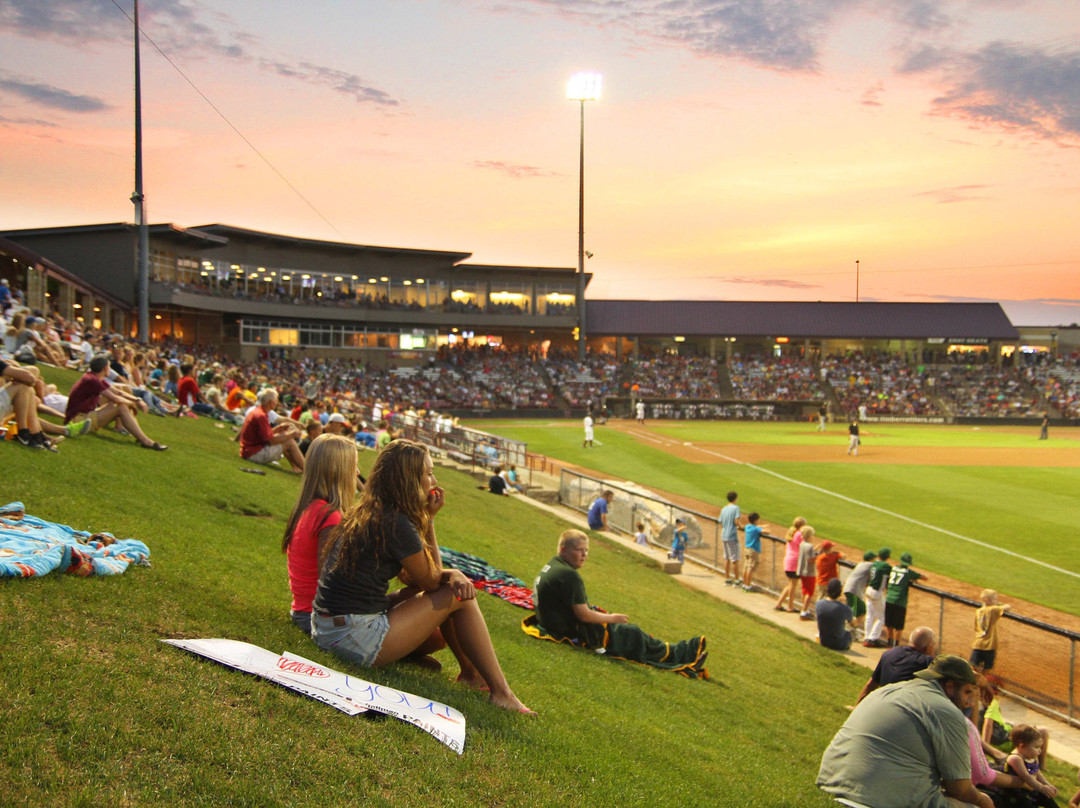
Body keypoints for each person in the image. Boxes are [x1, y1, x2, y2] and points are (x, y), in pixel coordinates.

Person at [311, 439, 532, 713]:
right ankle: (500, 691)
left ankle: (471, 675)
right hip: (351, 637)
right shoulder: (395, 521)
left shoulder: (369, 510)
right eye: (428, 473)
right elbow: (431, 580)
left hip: (325, 628)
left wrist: (446, 573)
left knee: (431, 605)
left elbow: (414, 582)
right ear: (409, 480)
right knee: (458, 594)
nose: (434, 480)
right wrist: (430, 524)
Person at [818, 654, 994, 808]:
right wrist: (982, 799)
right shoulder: (947, 712)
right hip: (874, 799)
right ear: (949, 686)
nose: (969, 702)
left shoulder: (889, 690)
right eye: (967, 692)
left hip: (834, 782)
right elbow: (960, 789)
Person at [529, 529, 708, 676]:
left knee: (632, 634)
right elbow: (583, 615)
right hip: (572, 632)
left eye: (587, 550)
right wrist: (613, 618)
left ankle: (680, 652)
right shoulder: (569, 575)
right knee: (634, 634)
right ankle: (683, 655)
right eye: (579, 550)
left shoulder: (554, 564)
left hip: (553, 624)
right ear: (563, 550)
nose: (584, 555)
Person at [282, 434, 359, 635]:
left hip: (303, 611)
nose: (358, 472)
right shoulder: (329, 517)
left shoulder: (309, 507)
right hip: (315, 618)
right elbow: (331, 582)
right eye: (354, 466)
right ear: (338, 471)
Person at [64, 355, 167, 450]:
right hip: (78, 421)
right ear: (104, 368)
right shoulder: (92, 380)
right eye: (109, 367)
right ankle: (145, 441)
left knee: (121, 404)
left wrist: (137, 400)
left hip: (82, 416)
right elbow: (115, 398)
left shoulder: (94, 377)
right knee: (120, 407)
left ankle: (141, 438)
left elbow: (118, 393)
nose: (110, 369)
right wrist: (134, 404)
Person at [856, 625, 936, 703]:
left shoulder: (890, 653)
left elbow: (871, 685)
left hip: (881, 704)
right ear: (928, 648)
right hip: (904, 709)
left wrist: (857, 708)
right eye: (933, 645)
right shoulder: (927, 662)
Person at [239, 388, 304, 472]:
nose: (276, 403)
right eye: (275, 401)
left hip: (248, 451)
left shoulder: (258, 412)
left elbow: (263, 437)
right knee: (290, 442)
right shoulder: (261, 416)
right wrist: (292, 434)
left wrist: (277, 429)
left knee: (286, 439)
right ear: (271, 402)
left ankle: (298, 467)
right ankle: (308, 471)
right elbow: (271, 441)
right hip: (253, 454)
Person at [1000, 724, 1059, 807]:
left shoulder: (1032, 756)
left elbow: (1037, 773)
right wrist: (1041, 788)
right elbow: (1026, 776)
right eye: (1036, 747)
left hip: (1032, 788)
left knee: (1048, 799)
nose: (1040, 751)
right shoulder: (1015, 759)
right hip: (1017, 792)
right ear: (1022, 745)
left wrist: (1047, 785)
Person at [885, 552, 924, 647]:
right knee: (899, 627)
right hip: (900, 602)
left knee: (889, 625)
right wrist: (911, 580)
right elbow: (925, 577)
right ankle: (896, 646)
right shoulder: (908, 572)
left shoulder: (893, 568)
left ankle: (889, 646)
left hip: (889, 599)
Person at [970, 589, 1010, 672]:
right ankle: (982, 684)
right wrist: (1001, 606)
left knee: (972, 668)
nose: (996, 601)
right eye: (995, 599)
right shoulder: (993, 610)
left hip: (977, 644)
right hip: (989, 645)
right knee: (987, 670)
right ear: (987, 600)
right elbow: (1007, 607)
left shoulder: (978, 611)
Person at [774, 516, 807, 612]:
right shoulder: (799, 534)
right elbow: (804, 547)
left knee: (790, 584)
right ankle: (790, 606)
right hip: (795, 562)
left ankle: (779, 603)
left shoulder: (791, 533)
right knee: (793, 585)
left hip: (789, 561)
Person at [863, 547, 892, 648]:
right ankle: (872, 639)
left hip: (868, 590)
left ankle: (866, 636)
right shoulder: (886, 566)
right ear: (887, 557)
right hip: (876, 592)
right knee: (881, 618)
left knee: (869, 615)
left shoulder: (874, 563)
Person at [816, 578, 854, 651]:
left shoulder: (819, 604)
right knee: (849, 632)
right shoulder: (845, 608)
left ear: (827, 590)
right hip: (839, 644)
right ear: (840, 592)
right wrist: (844, 603)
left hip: (824, 642)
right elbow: (852, 623)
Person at [843, 550, 877, 628]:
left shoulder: (861, 563)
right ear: (871, 559)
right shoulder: (870, 565)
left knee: (862, 610)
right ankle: (847, 629)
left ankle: (853, 628)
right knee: (852, 613)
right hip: (853, 590)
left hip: (853, 589)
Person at [719, 490, 743, 585]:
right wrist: (741, 527)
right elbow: (737, 521)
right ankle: (737, 580)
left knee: (727, 558)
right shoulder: (735, 508)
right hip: (732, 536)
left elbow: (721, 521)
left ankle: (727, 578)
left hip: (724, 535)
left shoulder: (724, 509)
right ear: (735, 499)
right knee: (735, 559)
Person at [796, 526, 818, 619]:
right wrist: (819, 556)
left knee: (805, 591)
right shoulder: (809, 546)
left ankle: (804, 609)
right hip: (809, 572)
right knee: (809, 593)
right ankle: (804, 612)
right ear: (809, 536)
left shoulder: (802, 544)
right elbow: (811, 560)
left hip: (801, 570)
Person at [741, 512, 762, 591]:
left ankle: (744, 583)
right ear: (756, 520)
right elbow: (765, 531)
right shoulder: (756, 529)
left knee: (746, 566)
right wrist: (762, 528)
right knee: (750, 567)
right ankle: (748, 586)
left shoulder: (747, 526)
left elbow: (756, 527)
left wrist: (759, 527)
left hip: (747, 549)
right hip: (753, 551)